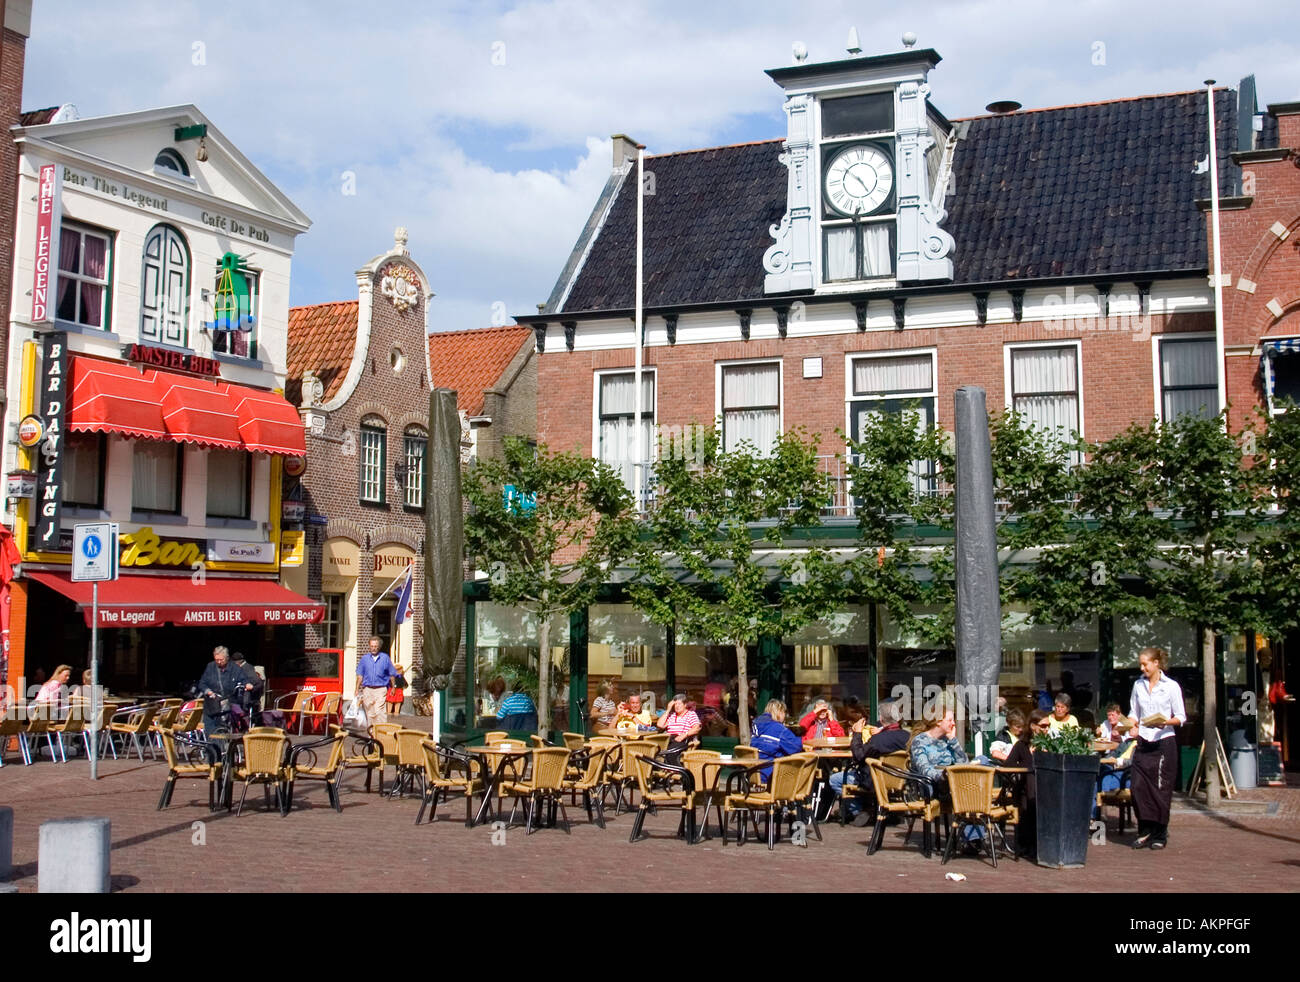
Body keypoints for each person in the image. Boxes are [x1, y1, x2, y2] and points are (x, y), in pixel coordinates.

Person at [1129, 646, 1186, 850]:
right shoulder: (1138, 685)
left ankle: (1160, 833)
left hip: (1164, 742)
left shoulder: (1171, 686)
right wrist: (1130, 725)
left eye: (1145, 664)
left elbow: (1181, 716)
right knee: (1137, 787)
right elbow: (1134, 713)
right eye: (1140, 664)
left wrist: (1165, 722)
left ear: (1156, 663)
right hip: (1144, 742)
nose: (1142, 668)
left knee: (1160, 790)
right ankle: (1145, 830)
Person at [832, 697, 909, 825]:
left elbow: (858, 756)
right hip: (899, 779)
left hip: (873, 780)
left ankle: (860, 811)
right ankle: (875, 809)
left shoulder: (878, 740)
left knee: (834, 779)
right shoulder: (907, 737)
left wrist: (857, 733)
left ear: (881, 719)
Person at [200, 646, 253, 736]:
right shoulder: (210, 666)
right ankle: (211, 745)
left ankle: (223, 744)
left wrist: (247, 684)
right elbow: (202, 683)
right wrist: (208, 691)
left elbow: (244, 679)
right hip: (211, 705)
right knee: (210, 732)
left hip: (227, 704)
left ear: (227, 658)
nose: (219, 662)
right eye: (216, 660)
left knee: (223, 731)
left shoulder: (235, 668)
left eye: (221, 660)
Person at [750, 699, 804, 781]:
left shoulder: (756, 726)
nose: (785, 715)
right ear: (779, 712)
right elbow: (796, 747)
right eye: (784, 712)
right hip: (771, 774)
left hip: (754, 772)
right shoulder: (778, 729)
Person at [355, 636, 398, 726]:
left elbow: (391, 674)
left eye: (375, 646)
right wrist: (356, 689)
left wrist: (393, 687)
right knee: (370, 713)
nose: (373, 648)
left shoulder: (385, 658)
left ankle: (381, 731)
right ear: (369, 646)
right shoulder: (364, 659)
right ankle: (372, 732)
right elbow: (360, 675)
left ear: (379, 647)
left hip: (380, 689)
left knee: (379, 712)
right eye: (372, 646)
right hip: (367, 689)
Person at [231, 652, 265, 726]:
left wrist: (252, 687)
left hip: (248, 699)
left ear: (237, 663)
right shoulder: (241, 668)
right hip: (241, 697)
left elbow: (259, 683)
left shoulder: (247, 669)